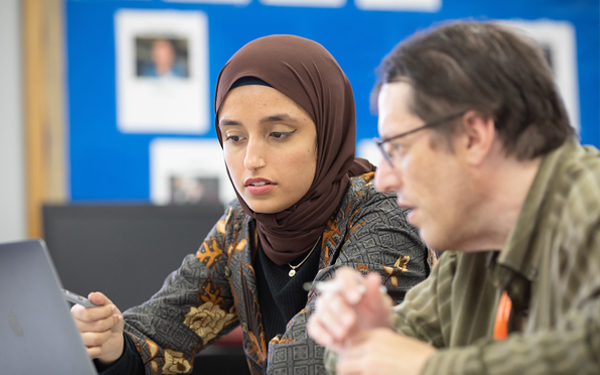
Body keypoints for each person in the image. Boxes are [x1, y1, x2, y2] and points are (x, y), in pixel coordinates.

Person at [71, 35, 434, 375]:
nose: (251, 159)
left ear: (327, 131)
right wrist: (113, 343)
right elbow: (159, 331)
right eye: (234, 137)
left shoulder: (385, 215)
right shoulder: (243, 225)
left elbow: (310, 360)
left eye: (278, 134)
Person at [307, 21, 600, 375]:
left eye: (396, 148)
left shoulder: (591, 202)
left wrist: (429, 368)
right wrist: (363, 334)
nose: (381, 180)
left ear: (473, 137)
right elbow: (375, 356)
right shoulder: (474, 246)